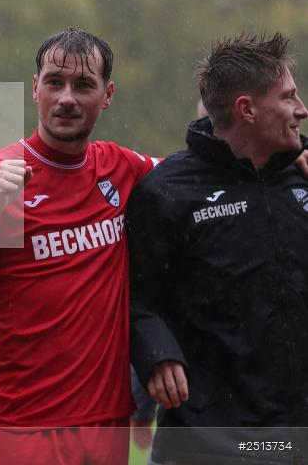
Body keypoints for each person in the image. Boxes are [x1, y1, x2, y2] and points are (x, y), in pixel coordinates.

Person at [0, 28, 160, 465]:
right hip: (21, 426)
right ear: (35, 88)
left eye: (83, 85)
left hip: (106, 425)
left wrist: (284, 156)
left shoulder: (122, 168)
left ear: (107, 95)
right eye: (54, 82)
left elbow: (194, 177)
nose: (66, 98)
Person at [128, 32, 308, 464]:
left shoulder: (303, 174)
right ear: (247, 109)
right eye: (288, 98)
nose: (302, 109)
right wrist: (156, 355)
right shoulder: (166, 192)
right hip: (206, 442)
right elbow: (136, 298)